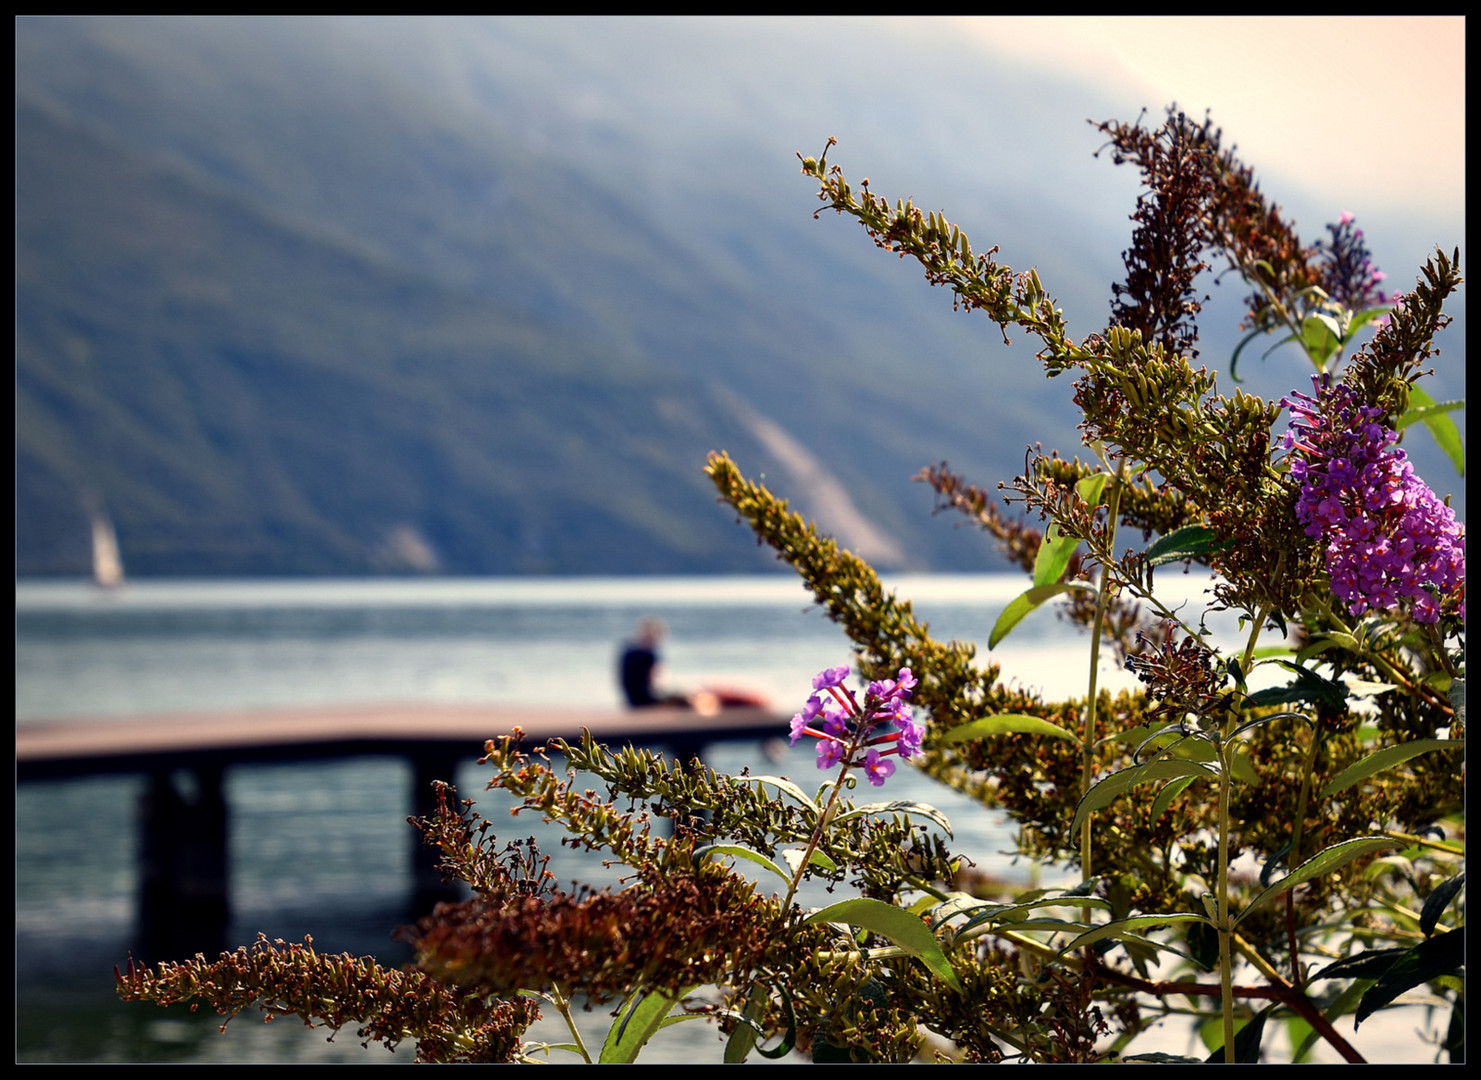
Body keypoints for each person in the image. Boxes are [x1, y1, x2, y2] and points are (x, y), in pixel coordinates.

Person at [618, 618, 689, 708]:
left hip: (631, 700)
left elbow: (620, 679)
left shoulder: (627, 650)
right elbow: (657, 681)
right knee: (682, 699)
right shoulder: (649, 655)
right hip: (646, 700)